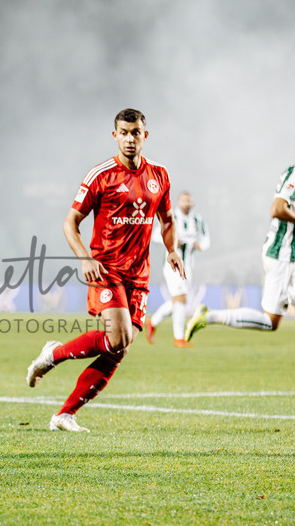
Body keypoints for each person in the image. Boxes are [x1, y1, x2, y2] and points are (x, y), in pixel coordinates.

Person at [25, 108, 184, 432]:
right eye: (123, 133)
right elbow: (71, 222)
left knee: (120, 347)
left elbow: (167, 221)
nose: (129, 138)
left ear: (145, 135)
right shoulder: (101, 175)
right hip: (106, 269)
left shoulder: (160, 176)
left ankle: (64, 414)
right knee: (116, 337)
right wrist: (85, 258)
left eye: (135, 132)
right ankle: (54, 353)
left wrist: (172, 250)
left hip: (139, 274)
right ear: (115, 136)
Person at [184, 138, 295, 396]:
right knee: (270, 322)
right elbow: (276, 209)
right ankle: (208, 316)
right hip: (282, 258)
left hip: (293, 259)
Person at [145, 191, 210, 348]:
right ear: (178, 202)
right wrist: (172, 239)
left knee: (179, 300)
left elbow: (206, 239)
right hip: (172, 265)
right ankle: (179, 338)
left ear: (192, 203)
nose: (186, 203)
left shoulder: (198, 220)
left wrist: (200, 246)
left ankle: (152, 322)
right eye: (183, 201)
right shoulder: (170, 216)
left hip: (188, 266)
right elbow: (155, 236)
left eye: (189, 201)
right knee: (180, 298)